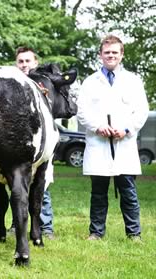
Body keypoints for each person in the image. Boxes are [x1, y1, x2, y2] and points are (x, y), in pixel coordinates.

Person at [76, 35, 149, 241]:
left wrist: (126, 129)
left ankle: (134, 233)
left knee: (128, 192)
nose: (111, 55)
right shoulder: (90, 82)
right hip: (99, 144)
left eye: (115, 52)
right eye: (107, 52)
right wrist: (98, 126)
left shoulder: (133, 81)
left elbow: (141, 111)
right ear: (100, 55)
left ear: (121, 54)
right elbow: (81, 112)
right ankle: (96, 232)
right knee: (98, 193)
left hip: (124, 144)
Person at [8, 46, 55, 240]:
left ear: (35, 63)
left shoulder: (44, 85)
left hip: (40, 144)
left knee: (40, 185)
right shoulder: (10, 85)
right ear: (16, 64)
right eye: (20, 61)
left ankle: (46, 226)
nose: (24, 65)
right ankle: (15, 224)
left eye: (28, 61)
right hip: (18, 144)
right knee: (16, 186)